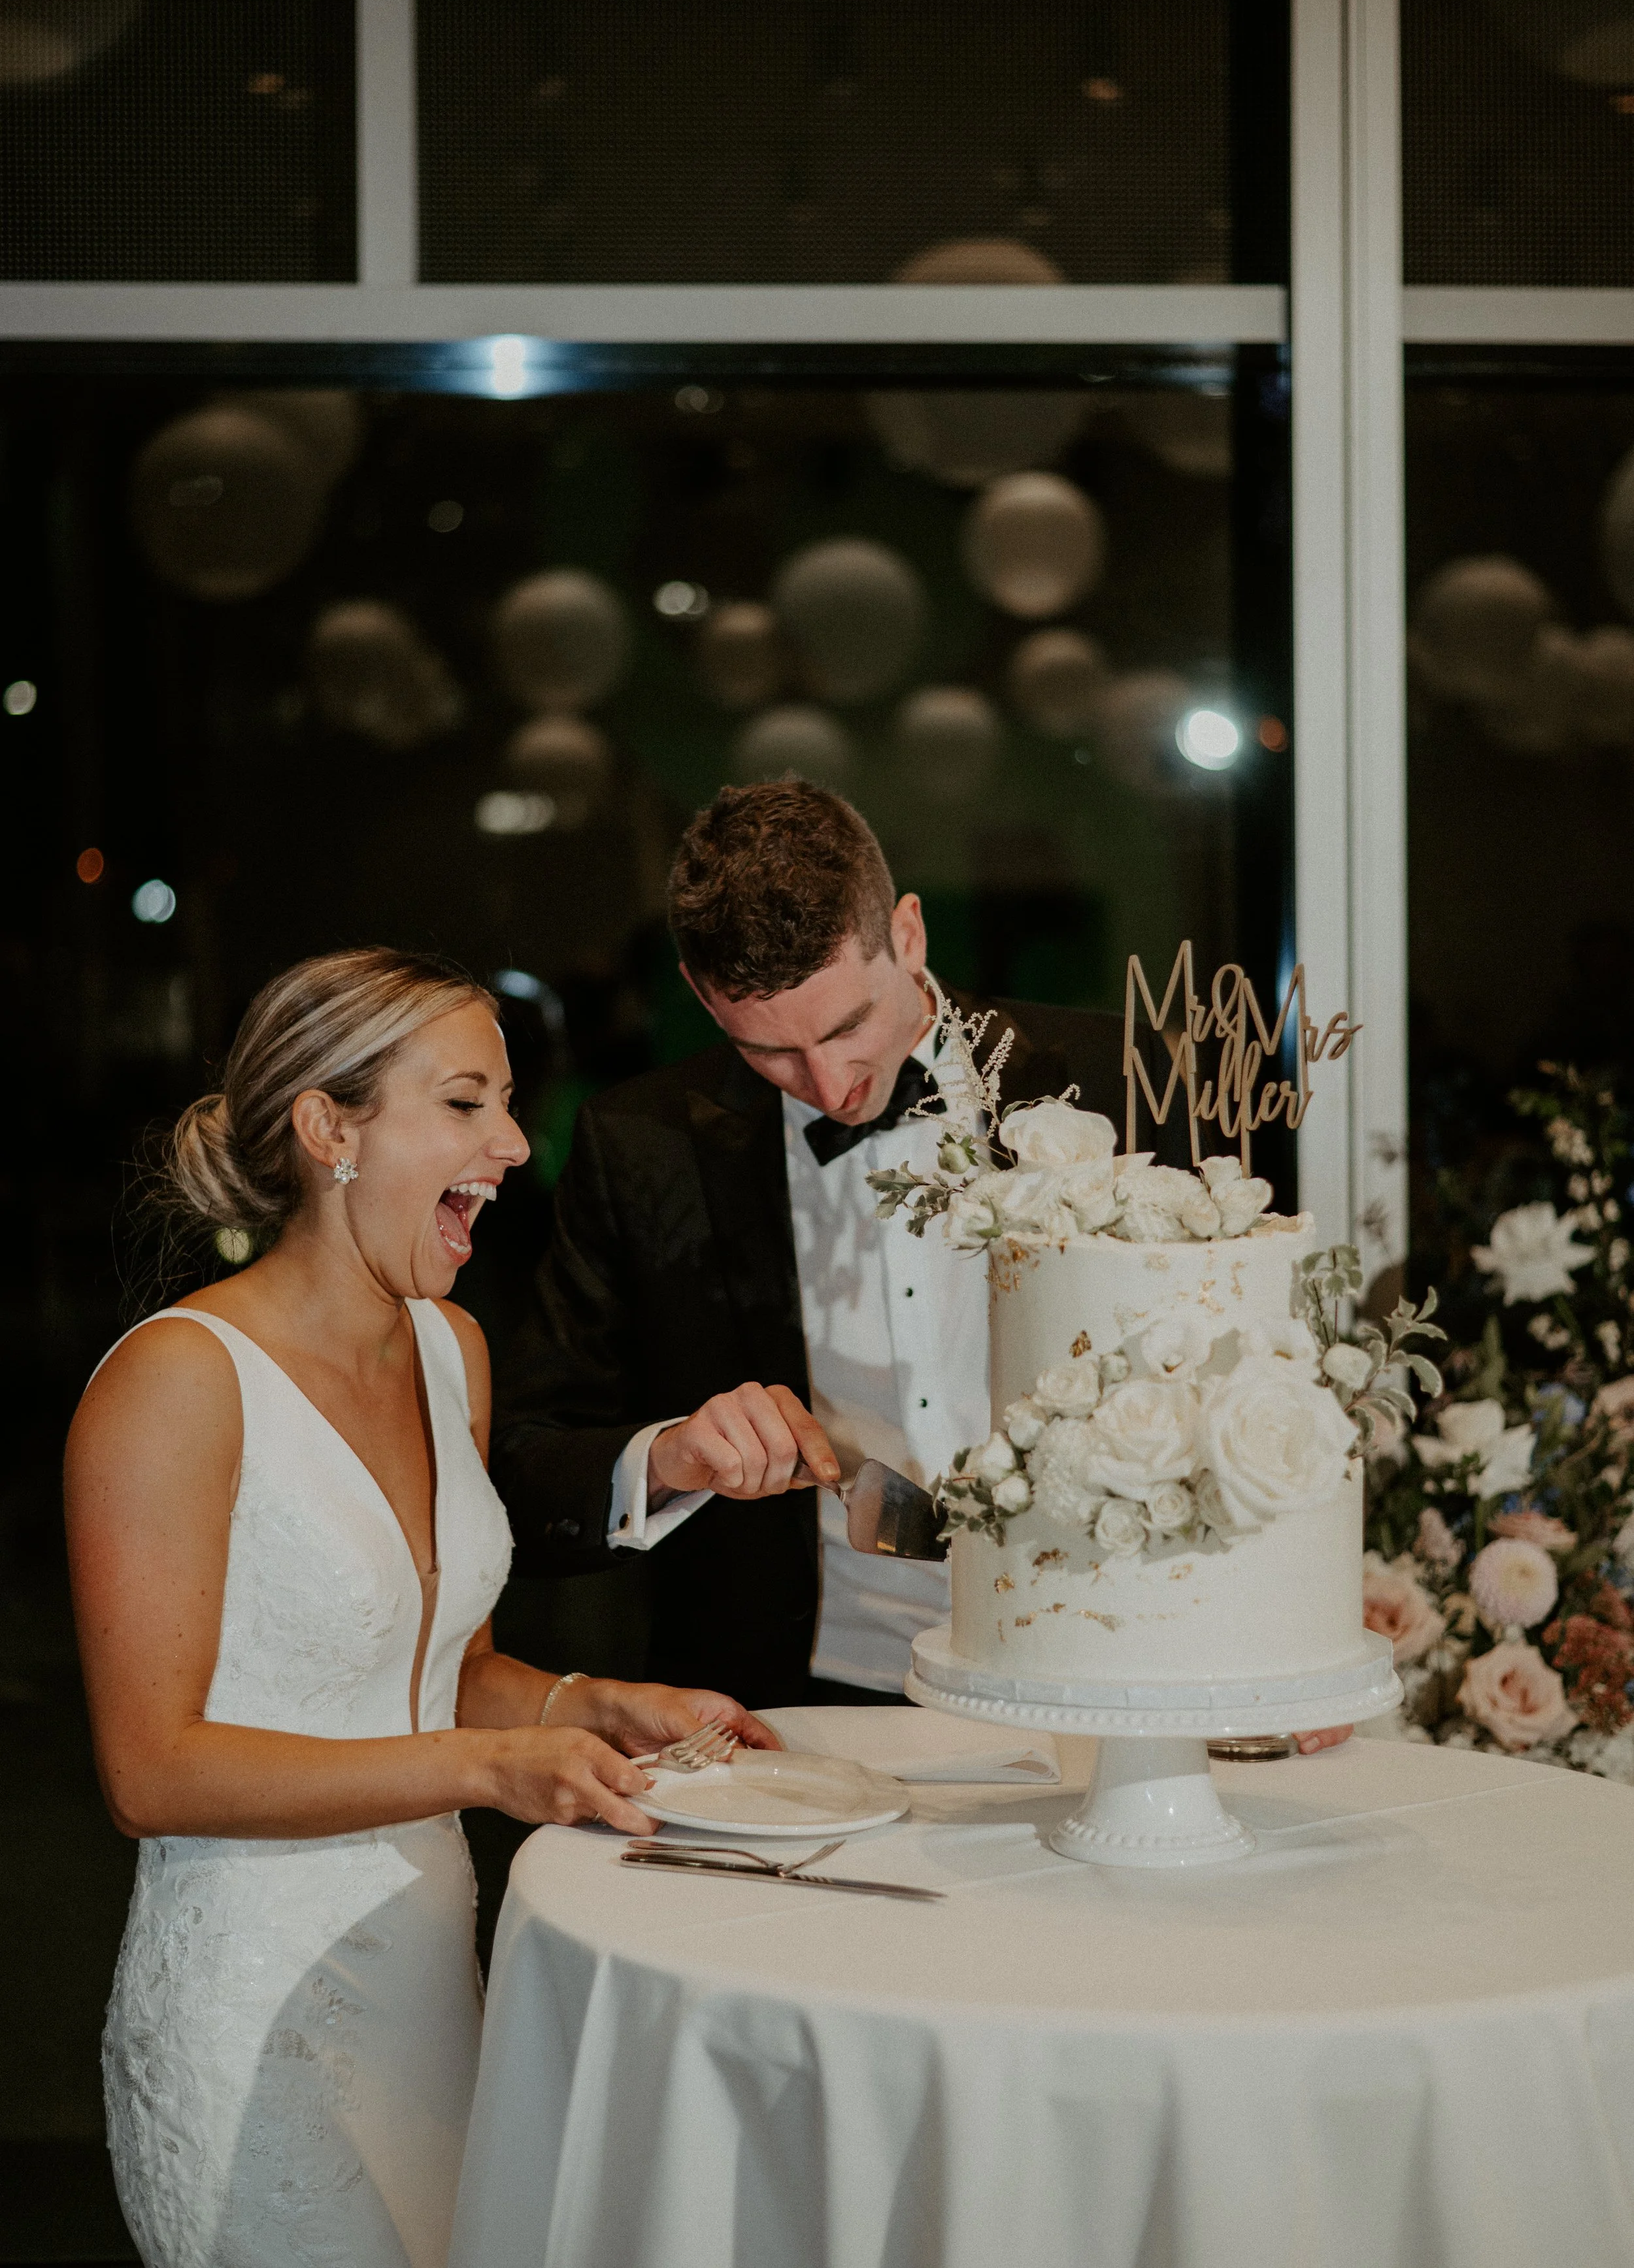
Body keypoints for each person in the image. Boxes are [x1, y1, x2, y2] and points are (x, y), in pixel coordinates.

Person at [65, 948, 773, 2268]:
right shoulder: (176, 1381)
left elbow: (431, 1673)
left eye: (506, 1102)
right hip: (256, 2006)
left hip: (434, 1987)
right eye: (463, 1104)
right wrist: (491, 1766)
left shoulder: (452, 1350)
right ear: (329, 1127)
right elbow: (149, 1773)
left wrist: (584, 1707)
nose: (510, 1142)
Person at [493, 782, 1152, 1706]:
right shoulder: (642, 1147)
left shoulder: (1123, 1078)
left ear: (910, 935)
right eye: (770, 1052)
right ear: (698, 993)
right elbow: (526, 1469)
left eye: (849, 1026)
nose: (830, 1086)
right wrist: (672, 1454)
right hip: (793, 1696)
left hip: (1105, 1662)